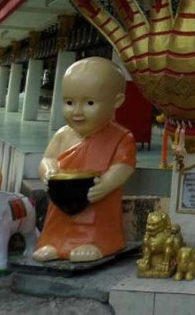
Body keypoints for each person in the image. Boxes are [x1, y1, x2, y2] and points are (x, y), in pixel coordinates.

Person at [32, 57, 136, 263]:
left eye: (89, 103)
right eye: (69, 103)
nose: (77, 112)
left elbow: (124, 166)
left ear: (117, 101)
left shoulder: (121, 137)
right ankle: (54, 242)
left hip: (96, 196)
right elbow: (48, 158)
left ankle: (98, 243)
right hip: (62, 197)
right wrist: (49, 171)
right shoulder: (63, 134)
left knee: (96, 218)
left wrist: (107, 183)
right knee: (57, 219)